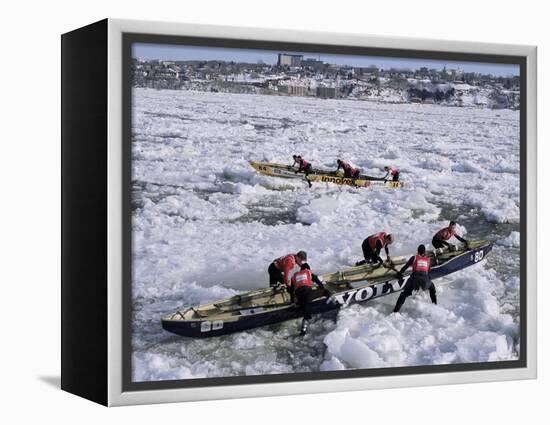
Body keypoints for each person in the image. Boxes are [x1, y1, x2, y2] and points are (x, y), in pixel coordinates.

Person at [392, 244, 436, 313]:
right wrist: (429, 281)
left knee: (404, 295)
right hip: (425, 280)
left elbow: (405, 267)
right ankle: (435, 305)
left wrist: (399, 274)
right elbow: (428, 271)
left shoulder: (414, 257)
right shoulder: (428, 260)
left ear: (417, 251)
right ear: (425, 252)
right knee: (432, 288)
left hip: (415, 279)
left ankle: (395, 312)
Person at [290, 262, 331, 335]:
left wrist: (293, 302)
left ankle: (303, 330)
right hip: (308, 294)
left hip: (299, 297)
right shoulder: (308, 272)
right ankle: (338, 304)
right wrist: (322, 289)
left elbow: (291, 290)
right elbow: (318, 281)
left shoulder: (294, 276)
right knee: (326, 292)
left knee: (306, 308)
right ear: (307, 269)